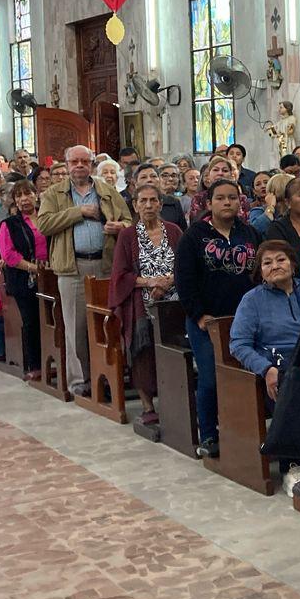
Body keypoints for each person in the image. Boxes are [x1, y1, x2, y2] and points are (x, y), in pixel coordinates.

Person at [174, 179, 262, 458]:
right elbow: (184, 279)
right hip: (208, 320)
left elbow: (258, 273)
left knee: (247, 377)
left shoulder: (249, 234)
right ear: (209, 203)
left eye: (233, 198)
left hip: (245, 319)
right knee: (211, 378)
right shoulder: (194, 236)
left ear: (240, 202)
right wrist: (199, 315)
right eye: (221, 198)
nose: (227, 203)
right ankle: (209, 434)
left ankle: (246, 431)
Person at [37, 145, 133, 394]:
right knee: (77, 326)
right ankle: (81, 380)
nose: (79, 165)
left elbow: (129, 221)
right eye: (74, 161)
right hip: (73, 266)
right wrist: (77, 212)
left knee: (108, 324)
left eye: (84, 161)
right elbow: (44, 224)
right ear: (67, 165)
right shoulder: (54, 193)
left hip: (105, 264)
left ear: (91, 165)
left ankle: (109, 375)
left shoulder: (107, 190)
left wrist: (118, 226)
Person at [230, 238, 300, 491]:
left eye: (281, 259)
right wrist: (266, 368)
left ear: (293, 263)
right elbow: (239, 343)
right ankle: (292, 465)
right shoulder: (252, 300)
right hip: (276, 365)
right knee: (286, 386)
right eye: (267, 263)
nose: (275, 266)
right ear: (260, 270)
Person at [110, 183, 183, 427]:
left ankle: (176, 400)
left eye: (154, 200)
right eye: (144, 201)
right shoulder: (128, 235)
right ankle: (147, 405)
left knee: (175, 351)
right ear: (135, 205)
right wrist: (149, 282)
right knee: (143, 352)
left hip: (174, 300)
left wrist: (169, 280)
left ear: (161, 204)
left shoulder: (173, 231)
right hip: (142, 301)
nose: (149, 205)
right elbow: (121, 274)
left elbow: (184, 264)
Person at [0, 180, 47, 379]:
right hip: (23, 277)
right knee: (31, 320)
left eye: (27, 194)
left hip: (50, 273)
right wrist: (33, 268)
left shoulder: (46, 217)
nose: (24, 199)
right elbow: (8, 254)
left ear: (36, 195)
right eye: (19, 196)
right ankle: (34, 365)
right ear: (15, 201)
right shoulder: (9, 224)